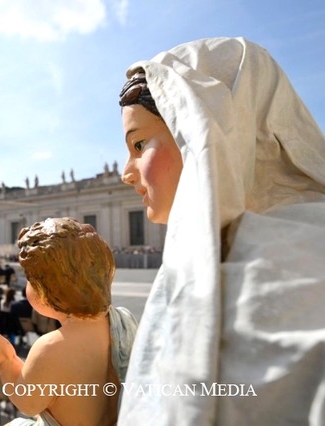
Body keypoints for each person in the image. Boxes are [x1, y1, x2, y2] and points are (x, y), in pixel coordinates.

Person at [117, 37, 325, 425]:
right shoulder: (197, 260)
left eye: (139, 144)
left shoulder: (302, 280)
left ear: (203, 130)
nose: (125, 172)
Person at [0, 217, 137, 426]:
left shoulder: (50, 347)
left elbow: (28, 403)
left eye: (29, 278)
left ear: (47, 287)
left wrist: (4, 361)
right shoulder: (123, 319)